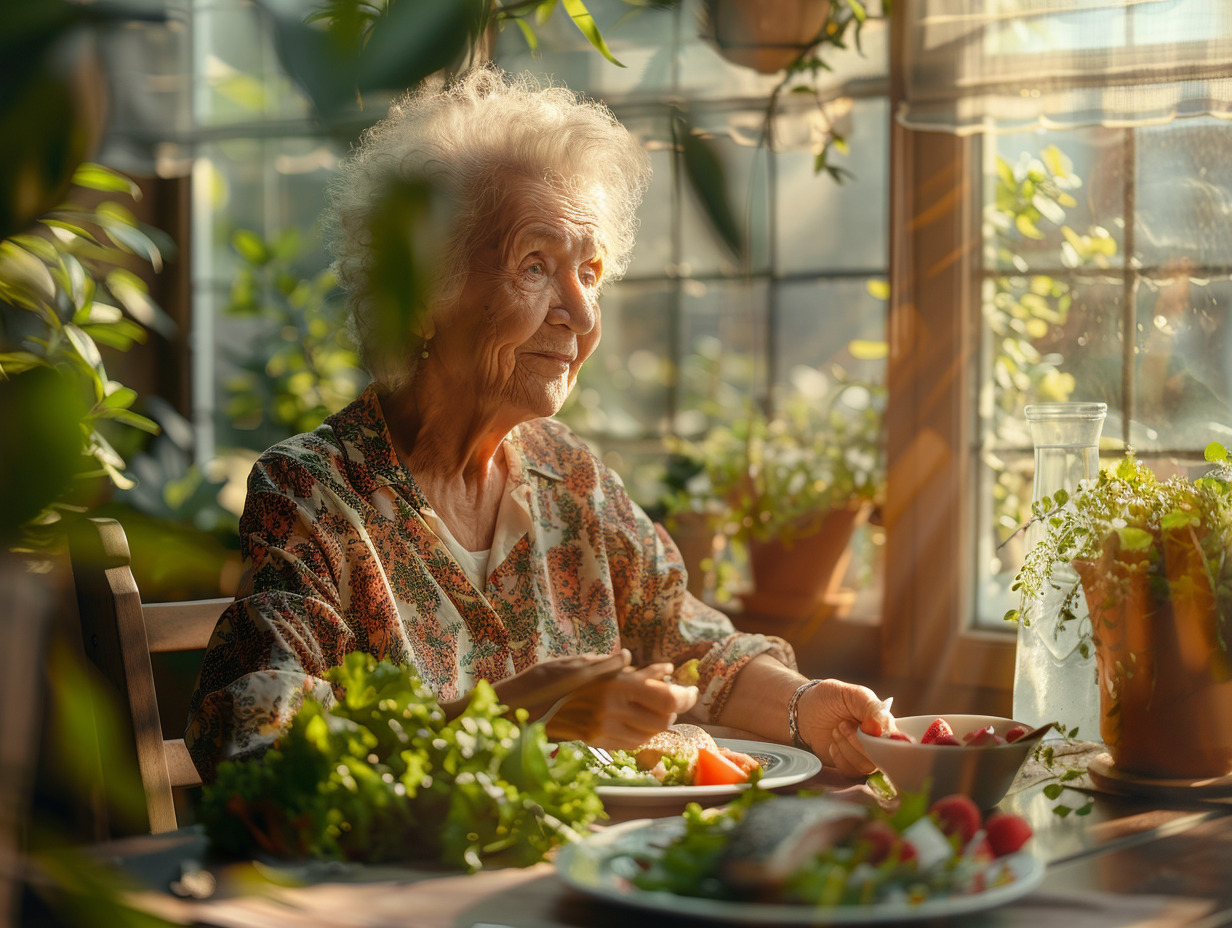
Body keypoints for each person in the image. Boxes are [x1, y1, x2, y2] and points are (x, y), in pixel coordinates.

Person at [185, 68, 889, 782]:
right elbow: (259, 746)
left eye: (589, 271)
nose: (581, 316)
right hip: (413, 885)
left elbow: (689, 645)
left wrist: (807, 706)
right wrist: (519, 715)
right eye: (535, 266)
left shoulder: (567, 474)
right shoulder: (312, 493)